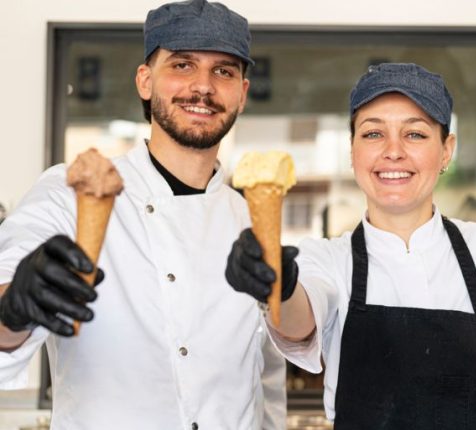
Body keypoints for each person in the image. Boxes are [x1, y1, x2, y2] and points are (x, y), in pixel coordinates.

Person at [226, 63, 476, 429]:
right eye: (373, 134)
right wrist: (281, 285)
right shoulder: (326, 259)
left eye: (415, 135)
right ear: (352, 151)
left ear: (446, 150)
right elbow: (297, 321)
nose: (393, 151)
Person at [0, 1, 286, 429]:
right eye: (183, 65)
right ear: (146, 81)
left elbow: (266, 381)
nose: (203, 87)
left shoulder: (251, 221)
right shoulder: (70, 192)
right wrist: (13, 309)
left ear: (242, 94)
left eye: (224, 71)